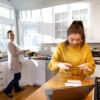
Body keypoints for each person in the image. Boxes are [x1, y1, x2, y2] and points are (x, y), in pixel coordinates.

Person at [4, 30, 25, 98]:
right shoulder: (9, 44)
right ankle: (7, 90)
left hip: (16, 62)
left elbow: (16, 52)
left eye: (13, 34)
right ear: (8, 36)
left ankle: (17, 89)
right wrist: (22, 51)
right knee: (17, 77)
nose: (13, 35)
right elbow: (13, 54)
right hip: (13, 63)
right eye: (11, 35)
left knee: (17, 76)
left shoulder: (13, 43)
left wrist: (22, 51)